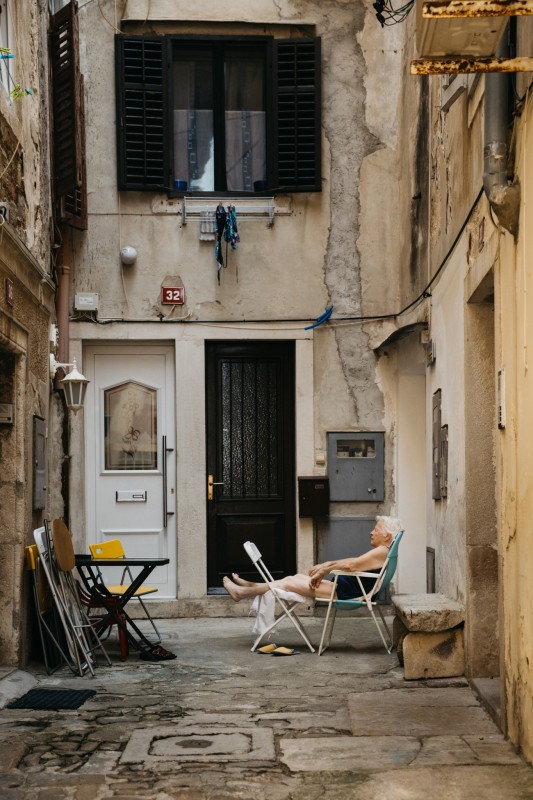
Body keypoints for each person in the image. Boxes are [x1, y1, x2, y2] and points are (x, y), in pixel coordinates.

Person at [223, 515, 402, 602]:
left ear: (387, 536)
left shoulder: (382, 551)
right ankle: (253, 586)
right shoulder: (384, 550)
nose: (371, 532)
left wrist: (325, 570)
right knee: (292, 578)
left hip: (345, 593)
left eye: (376, 529)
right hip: (343, 588)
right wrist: (327, 565)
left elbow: (351, 564)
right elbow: (353, 561)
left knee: (286, 584)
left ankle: (242, 593)